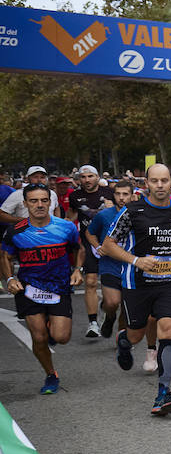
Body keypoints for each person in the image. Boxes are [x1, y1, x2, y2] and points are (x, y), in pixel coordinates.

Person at [100, 163, 171, 417]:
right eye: (155, 181)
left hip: (170, 281)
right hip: (137, 284)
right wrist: (136, 260)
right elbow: (108, 245)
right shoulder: (132, 210)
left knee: (168, 331)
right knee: (137, 334)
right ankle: (124, 341)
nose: (160, 186)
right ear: (146, 183)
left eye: (164, 181)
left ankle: (163, 393)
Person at [0, 183, 82, 393]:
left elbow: (78, 249)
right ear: (25, 203)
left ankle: (50, 329)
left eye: (44, 200)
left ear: (50, 202)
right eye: (34, 201)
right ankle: (50, 375)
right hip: (29, 288)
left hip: (59, 286)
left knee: (62, 337)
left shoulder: (65, 227)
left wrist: (77, 270)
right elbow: (5, 256)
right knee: (38, 337)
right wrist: (9, 279)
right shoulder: (15, 231)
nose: (39, 205)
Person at [65, 164, 114, 339]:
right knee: (91, 282)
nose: (86, 180)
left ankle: (108, 311)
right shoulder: (75, 196)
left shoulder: (109, 193)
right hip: (88, 243)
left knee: (113, 287)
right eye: (83, 177)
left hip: (110, 243)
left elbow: (121, 214)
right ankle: (93, 322)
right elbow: (70, 218)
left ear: (97, 177)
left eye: (90, 176)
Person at [85, 179, 134, 339]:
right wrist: (98, 246)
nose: (121, 197)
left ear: (132, 196)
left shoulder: (138, 215)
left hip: (131, 266)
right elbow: (89, 232)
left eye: (125, 194)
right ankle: (109, 315)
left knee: (127, 306)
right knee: (113, 303)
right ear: (113, 195)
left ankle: (122, 337)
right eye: (118, 194)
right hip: (110, 265)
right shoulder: (104, 215)